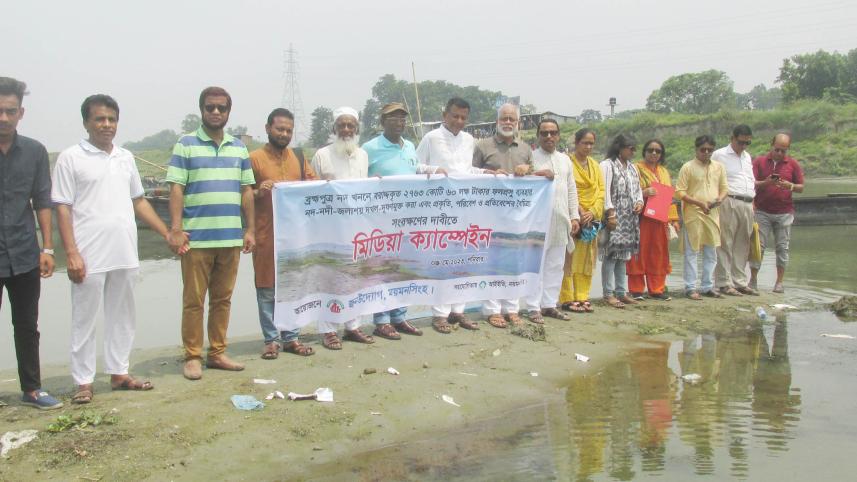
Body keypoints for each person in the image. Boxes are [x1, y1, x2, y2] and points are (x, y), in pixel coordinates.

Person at [53, 94, 172, 403]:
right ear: (86, 122)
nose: (106, 125)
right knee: (84, 317)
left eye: (111, 119)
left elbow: (139, 201)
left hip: (124, 250)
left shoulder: (125, 157)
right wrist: (72, 253)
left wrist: (168, 232)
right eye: (99, 119)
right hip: (88, 253)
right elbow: (62, 208)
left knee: (123, 315)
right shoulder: (71, 157)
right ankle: (83, 381)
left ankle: (119, 372)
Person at [166, 86, 256, 380]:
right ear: (201, 110)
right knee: (194, 300)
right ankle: (192, 356)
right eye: (210, 107)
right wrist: (176, 229)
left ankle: (217, 352)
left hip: (230, 237)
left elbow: (246, 191)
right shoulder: (186, 144)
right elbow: (176, 188)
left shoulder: (239, 148)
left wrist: (250, 229)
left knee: (223, 299)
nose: (216, 112)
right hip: (196, 239)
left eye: (221, 108)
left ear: (229, 112)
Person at [0, 77, 62, 410]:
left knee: (27, 324)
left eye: (10, 111)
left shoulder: (35, 152)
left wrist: (48, 248)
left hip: (24, 252)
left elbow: (42, 201)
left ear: (21, 113)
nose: (4, 118)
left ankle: (32, 389)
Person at [363, 102, 440, 340]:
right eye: (393, 118)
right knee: (383, 270)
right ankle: (382, 320)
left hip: (407, 219)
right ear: (382, 121)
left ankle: (399, 316)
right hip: (380, 220)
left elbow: (415, 169)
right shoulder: (369, 148)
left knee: (403, 268)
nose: (399, 122)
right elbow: (357, 179)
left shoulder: (409, 147)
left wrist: (432, 172)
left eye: (402, 118)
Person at [249, 108, 318, 359]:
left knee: (293, 285)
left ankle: (291, 337)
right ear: (268, 129)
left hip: (295, 235)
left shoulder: (298, 158)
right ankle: (271, 339)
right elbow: (243, 194)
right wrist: (258, 191)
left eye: (289, 130)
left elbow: (315, 187)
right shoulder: (254, 158)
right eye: (280, 129)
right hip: (265, 234)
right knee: (266, 288)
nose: (284, 134)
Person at [416, 97, 486, 334]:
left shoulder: (469, 140)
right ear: (445, 114)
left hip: (465, 209)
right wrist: (433, 170)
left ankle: (459, 311)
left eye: (463, 118)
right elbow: (414, 167)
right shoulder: (431, 138)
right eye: (455, 116)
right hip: (439, 212)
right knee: (442, 262)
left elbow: (466, 172)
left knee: (464, 261)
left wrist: (487, 172)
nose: (459, 121)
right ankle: (439, 315)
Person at [310, 106, 375, 349]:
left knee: (355, 278)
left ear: (357, 129)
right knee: (329, 279)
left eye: (351, 125)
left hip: (357, 228)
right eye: (342, 125)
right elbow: (313, 193)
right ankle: (328, 330)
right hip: (329, 230)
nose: (346, 130)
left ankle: (353, 327)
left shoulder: (363, 155)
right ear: (334, 128)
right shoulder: (322, 155)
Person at [473, 103, 533, 328]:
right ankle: (492, 309)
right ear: (497, 121)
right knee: (491, 262)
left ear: (518, 123)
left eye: (512, 119)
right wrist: (489, 174)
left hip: (518, 217)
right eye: (504, 118)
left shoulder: (526, 149)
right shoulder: (482, 146)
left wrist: (528, 170)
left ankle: (512, 308)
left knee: (514, 262)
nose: (508, 122)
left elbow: (535, 182)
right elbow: (470, 176)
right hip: (489, 215)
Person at [525, 119, 580, 324]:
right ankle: (533, 307)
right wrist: (535, 173)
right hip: (538, 221)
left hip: (561, 220)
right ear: (538, 136)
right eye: (545, 133)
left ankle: (549, 305)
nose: (549, 136)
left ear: (558, 135)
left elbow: (571, 189)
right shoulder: (531, 158)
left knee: (556, 265)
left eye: (553, 132)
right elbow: (522, 181)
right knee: (536, 266)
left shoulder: (565, 160)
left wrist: (574, 216)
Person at [675, 135, 728, 300]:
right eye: (703, 149)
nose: (706, 153)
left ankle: (707, 286)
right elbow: (679, 192)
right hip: (693, 213)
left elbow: (725, 188)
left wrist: (720, 198)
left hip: (712, 213)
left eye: (709, 150)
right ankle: (690, 287)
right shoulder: (688, 167)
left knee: (711, 251)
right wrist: (698, 203)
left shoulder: (718, 167)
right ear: (696, 149)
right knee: (692, 251)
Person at [749, 133, 804, 293]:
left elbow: (801, 187)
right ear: (771, 146)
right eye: (777, 150)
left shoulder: (792, 164)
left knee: (782, 247)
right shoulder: (759, 162)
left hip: (784, 212)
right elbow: (750, 183)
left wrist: (790, 186)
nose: (779, 154)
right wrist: (766, 183)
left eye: (783, 151)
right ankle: (753, 279)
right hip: (762, 210)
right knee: (758, 246)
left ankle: (779, 282)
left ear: (787, 150)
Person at [626, 139, 679, 301]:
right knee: (638, 252)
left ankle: (657, 289)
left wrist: (673, 219)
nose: (654, 153)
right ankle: (636, 290)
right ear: (644, 152)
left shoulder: (664, 171)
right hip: (640, 217)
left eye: (658, 151)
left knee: (659, 253)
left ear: (662, 154)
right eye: (650, 150)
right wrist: (644, 192)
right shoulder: (635, 168)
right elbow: (627, 191)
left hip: (660, 219)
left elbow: (670, 196)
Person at [559, 129, 604, 314]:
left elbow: (601, 191)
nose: (588, 147)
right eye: (585, 143)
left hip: (591, 220)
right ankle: (567, 297)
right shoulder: (567, 162)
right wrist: (579, 211)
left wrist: (593, 212)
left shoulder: (595, 165)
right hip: (574, 216)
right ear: (576, 143)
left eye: (591, 143)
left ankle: (583, 295)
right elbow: (568, 189)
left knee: (587, 260)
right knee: (568, 259)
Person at [712, 125, 759, 296]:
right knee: (725, 241)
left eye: (747, 143)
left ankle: (740, 281)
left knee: (743, 243)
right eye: (741, 142)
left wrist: (752, 200)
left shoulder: (747, 156)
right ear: (732, 138)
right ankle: (724, 282)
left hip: (747, 202)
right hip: (729, 200)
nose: (744, 146)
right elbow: (712, 177)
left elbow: (749, 179)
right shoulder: (720, 155)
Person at [600, 134, 643, 309]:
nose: (632, 151)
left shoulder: (632, 168)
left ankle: (621, 291)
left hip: (629, 218)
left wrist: (639, 201)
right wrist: (610, 213)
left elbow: (637, 189)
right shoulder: (607, 165)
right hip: (614, 216)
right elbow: (604, 191)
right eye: (630, 148)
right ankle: (607, 293)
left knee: (624, 256)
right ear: (620, 147)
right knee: (611, 255)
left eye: (634, 148)